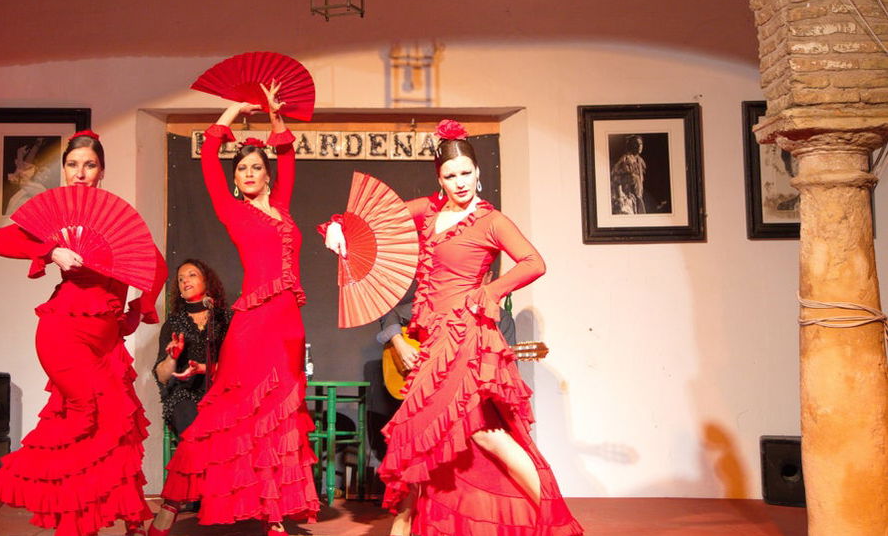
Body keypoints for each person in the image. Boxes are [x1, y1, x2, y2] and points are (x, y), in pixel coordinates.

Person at [322, 120, 582, 536]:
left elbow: (534, 262)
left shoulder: (490, 220)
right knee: (424, 434)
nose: (460, 182)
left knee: (484, 434)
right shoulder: (428, 210)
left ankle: (556, 520)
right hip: (431, 338)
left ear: (477, 172)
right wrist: (339, 226)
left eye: (466, 173)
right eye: (450, 175)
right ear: (438, 178)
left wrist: (492, 291)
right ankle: (404, 526)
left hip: (466, 335)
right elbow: (377, 221)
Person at [0, 130, 160, 536]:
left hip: (106, 342)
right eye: (72, 165)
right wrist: (50, 250)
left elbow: (156, 265)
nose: (79, 174)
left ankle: (134, 521)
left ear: (101, 171)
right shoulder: (55, 216)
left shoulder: (114, 217)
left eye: (89, 165)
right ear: (64, 170)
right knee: (82, 419)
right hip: (63, 332)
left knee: (115, 426)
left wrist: (136, 312)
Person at [150, 83, 319, 536]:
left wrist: (275, 116)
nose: (247, 172)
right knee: (228, 413)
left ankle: (274, 513)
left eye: (254, 167)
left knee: (280, 415)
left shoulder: (281, 207)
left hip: (289, 323)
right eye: (241, 167)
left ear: (265, 175)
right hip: (254, 323)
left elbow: (287, 155)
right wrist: (228, 114)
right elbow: (209, 159)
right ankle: (170, 504)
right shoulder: (232, 210)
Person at [153, 259, 232, 439]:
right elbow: (162, 377)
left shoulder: (226, 319)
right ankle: (198, 463)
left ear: (207, 281)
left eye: (191, 275)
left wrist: (207, 369)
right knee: (188, 414)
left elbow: (240, 365)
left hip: (222, 390)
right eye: (180, 279)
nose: (185, 281)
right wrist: (172, 358)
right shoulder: (172, 324)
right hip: (185, 395)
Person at [610, 134, 647, 214]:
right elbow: (616, 179)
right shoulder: (626, 160)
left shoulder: (640, 161)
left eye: (640, 144)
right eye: (636, 144)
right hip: (626, 198)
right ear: (631, 145)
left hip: (637, 197)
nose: (639, 146)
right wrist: (620, 197)